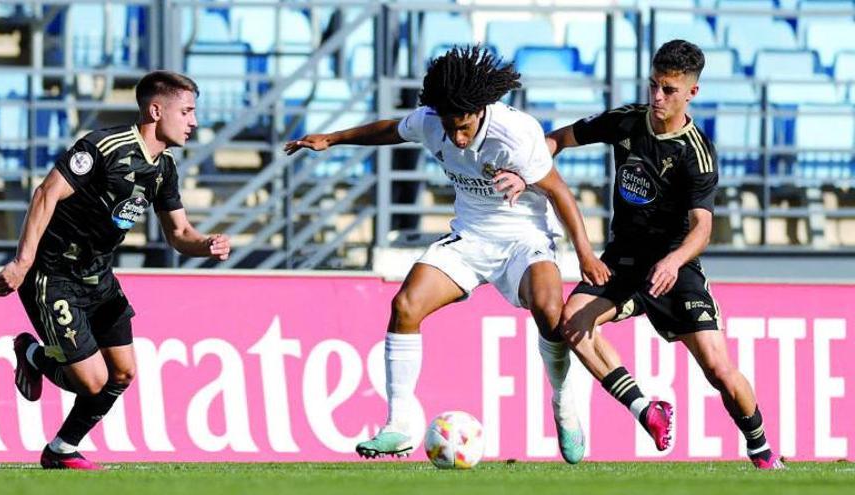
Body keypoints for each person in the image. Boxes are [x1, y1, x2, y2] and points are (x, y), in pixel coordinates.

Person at [285, 45, 610, 464]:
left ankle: (564, 402)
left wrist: (584, 253)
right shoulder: (434, 120)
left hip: (524, 239)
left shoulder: (517, 133)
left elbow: (559, 192)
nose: (456, 137)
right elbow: (391, 130)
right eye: (449, 127)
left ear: (480, 109)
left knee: (550, 312)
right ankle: (399, 425)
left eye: (463, 127)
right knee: (405, 305)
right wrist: (333, 138)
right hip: (471, 237)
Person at [545, 40, 784, 469]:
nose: (657, 96)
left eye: (668, 89)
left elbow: (703, 227)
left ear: (691, 92)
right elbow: (558, 139)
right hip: (623, 259)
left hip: (675, 267)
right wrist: (526, 163)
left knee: (718, 370)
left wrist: (674, 261)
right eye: (654, 85)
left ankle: (762, 449)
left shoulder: (696, 153)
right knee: (572, 322)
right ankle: (647, 410)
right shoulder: (627, 121)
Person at [0, 70, 231, 470]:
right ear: (156, 110)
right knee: (91, 381)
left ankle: (62, 448)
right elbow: (46, 194)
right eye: (187, 112)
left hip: (99, 279)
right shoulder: (105, 147)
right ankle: (33, 354)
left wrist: (204, 243)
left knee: (122, 373)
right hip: (55, 276)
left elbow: (179, 233)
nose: (194, 122)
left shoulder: (164, 168)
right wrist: (22, 263)